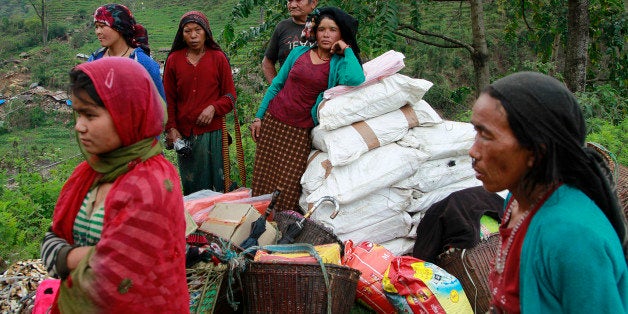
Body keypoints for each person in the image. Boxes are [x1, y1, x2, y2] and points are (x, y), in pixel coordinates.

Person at [468, 71, 628, 313]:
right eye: (476, 132)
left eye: (487, 135)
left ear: (536, 150)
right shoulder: (516, 200)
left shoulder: (572, 237)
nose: (473, 151)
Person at [39, 57, 189, 312]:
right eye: (77, 113)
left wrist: (65, 257)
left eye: (90, 115)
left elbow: (113, 275)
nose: (79, 126)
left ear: (126, 113)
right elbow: (50, 240)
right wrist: (86, 256)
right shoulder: (89, 174)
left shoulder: (151, 184)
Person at [250, 7, 365, 212]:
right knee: (262, 178)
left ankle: (280, 229)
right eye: (321, 29)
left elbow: (356, 78)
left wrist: (346, 49)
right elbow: (277, 85)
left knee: (288, 186)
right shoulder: (299, 53)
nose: (326, 34)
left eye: (332, 30)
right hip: (273, 122)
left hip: (299, 131)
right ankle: (256, 225)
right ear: (315, 32)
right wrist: (259, 117)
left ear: (341, 34)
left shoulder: (338, 63)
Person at [163, 11, 236, 195]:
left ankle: (219, 220)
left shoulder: (218, 58)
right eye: (188, 31)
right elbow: (168, 99)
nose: (193, 35)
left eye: (198, 30)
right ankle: (196, 221)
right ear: (182, 34)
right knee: (193, 186)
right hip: (186, 136)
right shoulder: (173, 60)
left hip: (214, 135)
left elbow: (230, 96)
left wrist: (213, 108)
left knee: (218, 184)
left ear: (206, 32)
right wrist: (171, 128)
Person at [88, 3, 166, 100]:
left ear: (119, 27)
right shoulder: (94, 60)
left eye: (103, 26)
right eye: (96, 27)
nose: (98, 32)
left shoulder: (144, 63)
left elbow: (160, 107)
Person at [261, 0, 318, 83]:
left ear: (313, 3)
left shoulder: (322, 26)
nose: (293, 5)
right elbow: (267, 62)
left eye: (298, 0)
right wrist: (276, 89)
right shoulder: (282, 27)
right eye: (289, 1)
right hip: (289, 93)